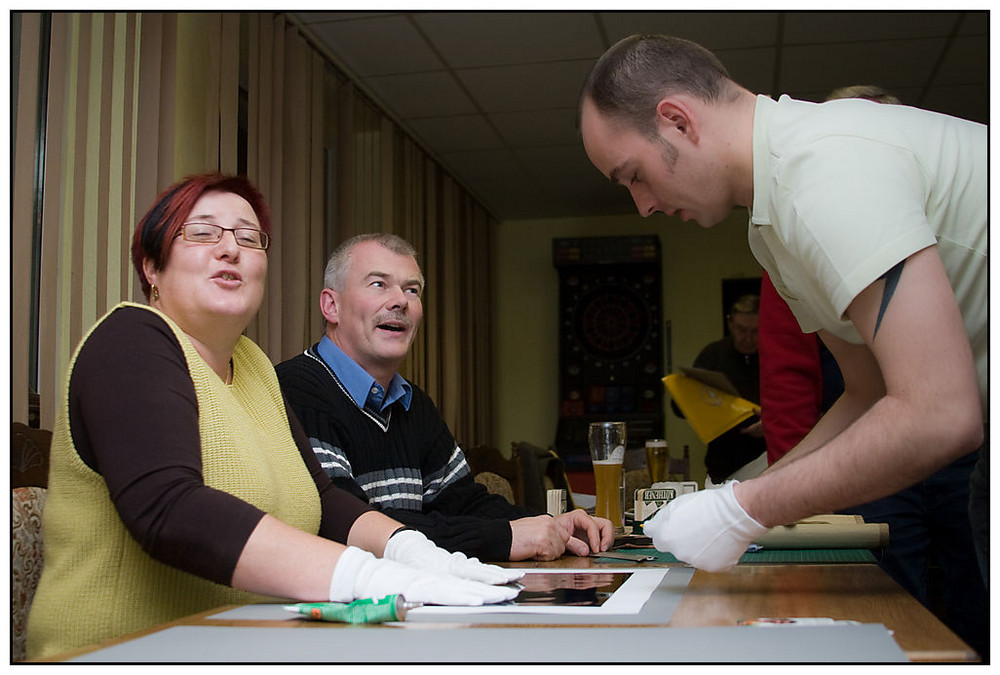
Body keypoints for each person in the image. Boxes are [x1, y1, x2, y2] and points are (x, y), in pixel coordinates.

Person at [26, 174, 520, 660]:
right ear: (152, 265)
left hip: (248, 647)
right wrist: (369, 577)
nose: (230, 249)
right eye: (202, 232)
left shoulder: (257, 366)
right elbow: (170, 509)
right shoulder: (131, 338)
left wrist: (411, 550)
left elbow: (323, 500)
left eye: (248, 237)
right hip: (117, 655)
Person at [577, 35, 987, 588]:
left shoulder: (822, 170)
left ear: (677, 121)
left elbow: (941, 414)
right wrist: (735, 500)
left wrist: (740, 510)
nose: (643, 204)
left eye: (633, 175)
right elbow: (866, 394)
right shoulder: (771, 225)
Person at [754, 85, 987, 659]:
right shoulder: (783, 228)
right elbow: (854, 387)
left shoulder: (837, 171)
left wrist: (746, 508)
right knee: (891, 594)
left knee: (975, 594)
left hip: (952, 434)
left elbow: (940, 413)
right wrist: (761, 496)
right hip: (883, 440)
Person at [276, 233, 614, 562]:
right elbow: (348, 525)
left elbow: (464, 503)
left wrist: (554, 525)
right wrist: (503, 538)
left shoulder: (414, 403)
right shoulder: (296, 390)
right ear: (331, 306)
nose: (400, 301)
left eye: (412, 290)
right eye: (379, 284)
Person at [687, 293, 766, 485]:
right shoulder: (713, 354)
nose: (748, 338)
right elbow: (682, 405)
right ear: (730, 323)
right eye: (741, 329)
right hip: (721, 467)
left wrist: (772, 421)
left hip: (767, 464)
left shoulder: (775, 356)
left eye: (755, 331)